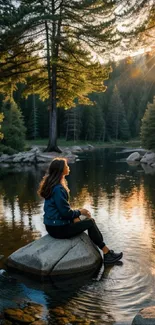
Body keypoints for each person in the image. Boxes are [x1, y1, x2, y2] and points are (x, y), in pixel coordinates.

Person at [38, 158, 123, 265]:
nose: (68, 168)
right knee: (90, 222)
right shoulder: (58, 189)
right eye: (66, 166)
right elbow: (65, 213)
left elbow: (63, 210)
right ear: (61, 170)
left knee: (82, 219)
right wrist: (80, 212)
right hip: (58, 229)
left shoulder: (51, 185)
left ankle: (106, 252)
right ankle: (106, 253)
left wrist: (76, 214)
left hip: (51, 226)